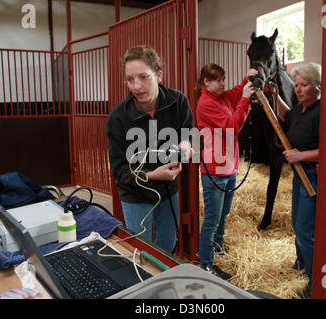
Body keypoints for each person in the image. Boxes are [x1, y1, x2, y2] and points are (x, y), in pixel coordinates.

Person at [106, 45, 194, 253]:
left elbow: (190, 132)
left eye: (144, 77)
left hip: (169, 191)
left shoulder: (178, 101)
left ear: (159, 75)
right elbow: (120, 172)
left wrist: (187, 144)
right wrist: (151, 175)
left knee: (167, 246)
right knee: (141, 252)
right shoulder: (118, 118)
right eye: (130, 79)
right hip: (136, 195)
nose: (136, 86)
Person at [195, 63, 257, 279]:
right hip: (214, 170)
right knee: (212, 219)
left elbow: (235, 93)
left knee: (223, 215)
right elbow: (232, 127)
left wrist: (246, 80)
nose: (223, 83)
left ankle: (218, 247)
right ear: (207, 82)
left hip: (229, 167)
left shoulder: (221, 97)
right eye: (219, 80)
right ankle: (206, 263)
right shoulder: (206, 104)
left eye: (224, 79)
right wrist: (246, 99)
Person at [277, 62, 321, 298]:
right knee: (297, 223)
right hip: (298, 175)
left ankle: (314, 285)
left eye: (305, 85)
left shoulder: (321, 111)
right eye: (297, 85)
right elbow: (286, 115)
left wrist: (300, 155)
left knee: (305, 230)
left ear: (317, 86)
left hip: (312, 175)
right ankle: (301, 265)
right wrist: (273, 96)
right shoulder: (300, 110)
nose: (299, 89)